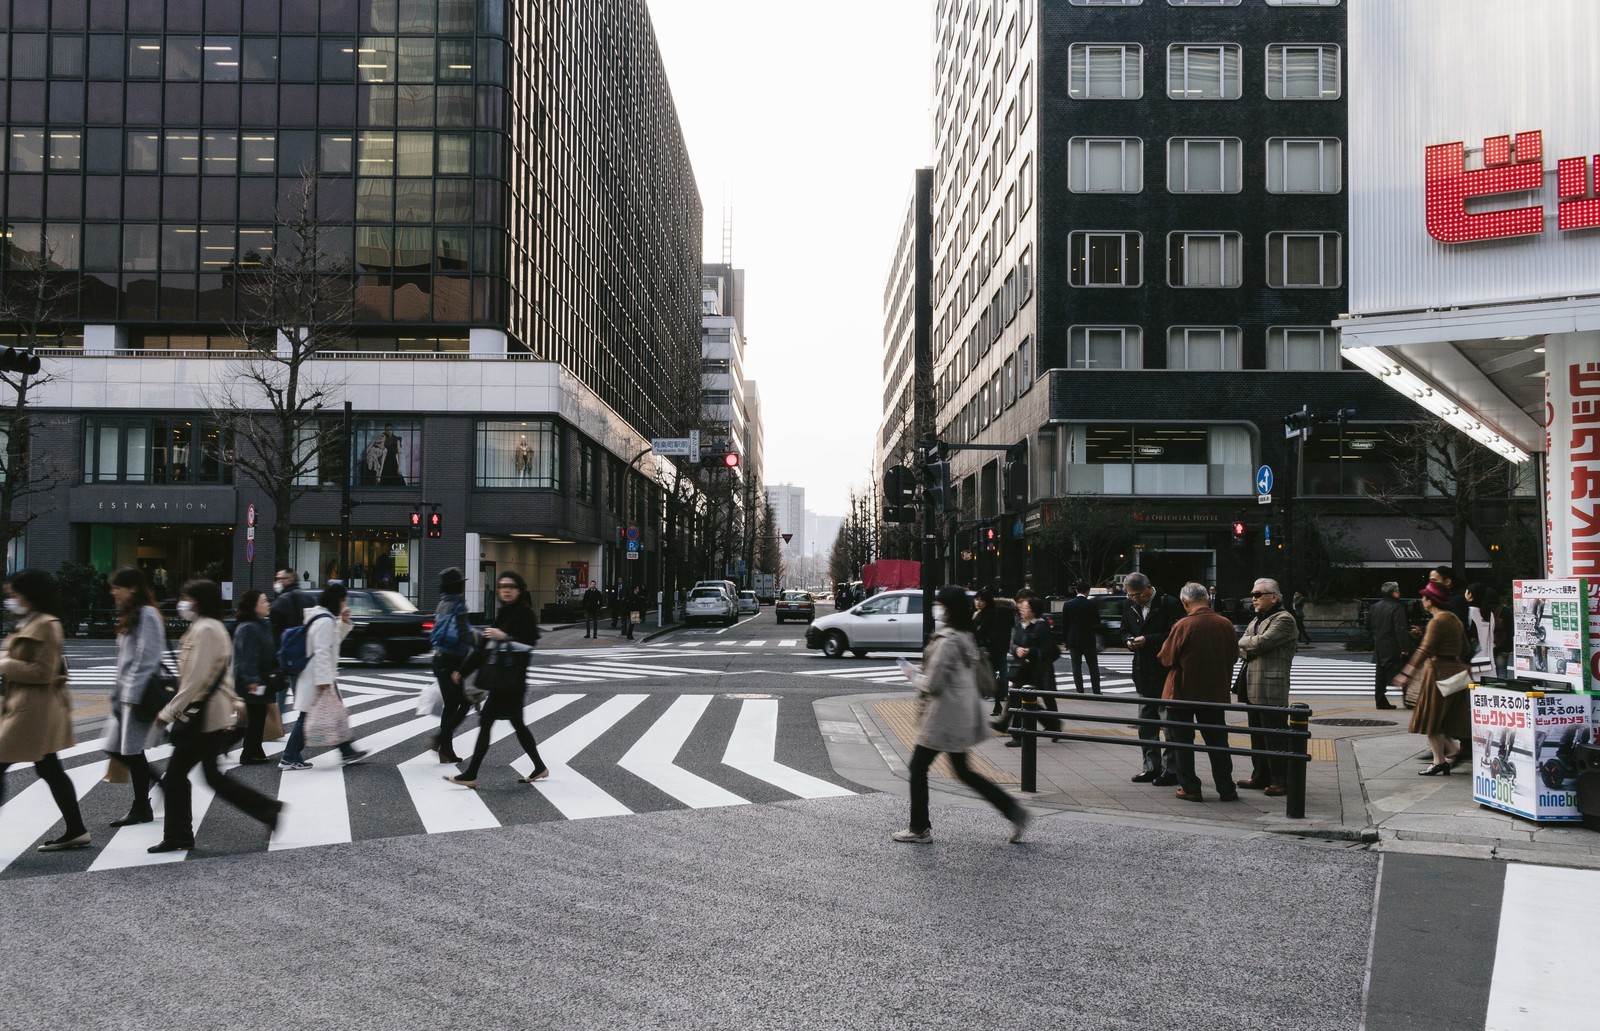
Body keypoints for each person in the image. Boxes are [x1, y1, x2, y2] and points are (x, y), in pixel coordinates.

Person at [149, 580, 280, 853]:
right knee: (205, 776)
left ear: (199, 601)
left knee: (179, 777)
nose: (182, 603)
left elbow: (196, 679)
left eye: (187, 597)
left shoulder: (207, 629)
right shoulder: (206, 627)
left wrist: (167, 713)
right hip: (207, 715)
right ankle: (267, 810)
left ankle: (180, 835)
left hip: (204, 717)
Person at [893, 586, 1029, 844]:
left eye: (940, 604)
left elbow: (933, 685)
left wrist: (912, 674)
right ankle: (1014, 811)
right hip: (961, 714)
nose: (937, 609)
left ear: (947, 608)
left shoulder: (947, 641)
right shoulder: (966, 635)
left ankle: (919, 827)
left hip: (943, 717)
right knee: (963, 772)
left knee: (918, 767)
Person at [0, 569, 89, 852]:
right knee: (50, 768)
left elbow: (42, 672)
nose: (10, 599)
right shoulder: (28, 621)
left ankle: (77, 829)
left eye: (15, 594)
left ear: (30, 594)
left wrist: (4, 663)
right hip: (25, 707)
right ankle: (76, 830)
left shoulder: (46, 624)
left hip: (32, 710)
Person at [446, 571, 548, 788]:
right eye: (502, 586)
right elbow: (484, 648)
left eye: (510, 586)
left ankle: (471, 774)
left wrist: (506, 637)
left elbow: (530, 645)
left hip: (512, 682)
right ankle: (539, 767)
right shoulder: (503, 614)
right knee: (515, 724)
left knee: (489, 722)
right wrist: (462, 671)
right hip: (503, 681)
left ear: (519, 590)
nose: (506, 590)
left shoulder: (525, 614)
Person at [1157, 583, 1242, 803]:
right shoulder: (1225, 624)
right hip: (1215, 692)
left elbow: (1166, 658)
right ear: (1206, 598)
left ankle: (1191, 788)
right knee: (1218, 742)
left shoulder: (1183, 625)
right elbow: (1234, 656)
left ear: (1185, 602)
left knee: (1183, 742)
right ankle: (1226, 788)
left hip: (1182, 693)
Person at [278, 583, 367, 771]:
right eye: (344, 600)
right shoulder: (325, 620)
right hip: (317, 678)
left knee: (329, 714)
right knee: (310, 716)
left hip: (315, 676)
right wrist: (323, 682)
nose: (345, 603)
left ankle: (347, 750)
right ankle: (289, 757)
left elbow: (331, 643)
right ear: (337, 600)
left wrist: (343, 622)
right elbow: (322, 652)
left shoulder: (321, 616)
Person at [104, 567, 166, 825]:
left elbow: (148, 657)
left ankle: (143, 805)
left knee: (130, 750)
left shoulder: (147, 614)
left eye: (118, 587)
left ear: (134, 588)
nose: (113, 592)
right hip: (125, 695)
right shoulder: (133, 614)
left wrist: (131, 693)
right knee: (119, 749)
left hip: (136, 695)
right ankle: (160, 791)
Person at [1395, 583, 1471, 776]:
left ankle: (1440, 761)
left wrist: (1406, 673)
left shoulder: (1438, 621)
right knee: (1443, 720)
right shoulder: (1454, 619)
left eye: (1424, 597)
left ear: (1431, 600)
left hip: (1438, 672)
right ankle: (1446, 757)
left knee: (1432, 719)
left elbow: (1424, 650)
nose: (1422, 600)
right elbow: (1465, 649)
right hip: (1456, 672)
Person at [1236, 577, 1298, 798]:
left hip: (1272, 686)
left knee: (1275, 736)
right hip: (1253, 685)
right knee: (1257, 735)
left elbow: (1261, 643)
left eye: (1258, 594)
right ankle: (1260, 775)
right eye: (1252, 594)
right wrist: (1249, 644)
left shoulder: (1284, 619)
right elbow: (1242, 644)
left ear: (1273, 596)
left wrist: (1249, 644)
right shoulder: (1257, 619)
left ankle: (1280, 780)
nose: (1253, 599)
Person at [1123, 572, 1183, 785]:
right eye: (1130, 596)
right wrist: (1128, 642)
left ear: (1149, 587)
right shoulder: (1129, 605)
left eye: (1137, 595)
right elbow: (1124, 630)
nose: (1134, 599)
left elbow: (1175, 634)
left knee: (1168, 723)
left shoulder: (1168, 603)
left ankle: (1171, 770)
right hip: (1142, 670)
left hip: (1164, 669)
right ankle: (1151, 767)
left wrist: (1148, 640)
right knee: (1146, 723)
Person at [999, 590, 1061, 746]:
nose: (1021, 609)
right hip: (1023, 669)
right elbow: (1012, 644)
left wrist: (1030, 651)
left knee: (1025, 701)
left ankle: (1019, 734)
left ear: (1033, 610)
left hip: (1036, 670)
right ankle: (1051, 725)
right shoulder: (1021, 624)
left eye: (1025, 607)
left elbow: (1049, 650)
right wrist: (1016, 650)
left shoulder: (1040, 626)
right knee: (1021, 700)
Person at [428, 568, 474, 765]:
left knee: (451, 705)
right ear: (459, 586)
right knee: (463, 703)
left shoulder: (443, 603)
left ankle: (446, 750)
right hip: (453, 660)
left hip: (439, 659)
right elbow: (464, 634)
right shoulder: (458, 605)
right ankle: (440, 738)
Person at [231, 589, 279, 765]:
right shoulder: (248, 627)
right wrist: (252, 680)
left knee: (256, 716)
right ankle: (248, 752)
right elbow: (249, 657)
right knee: (254, 717)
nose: (268, 604)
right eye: (263, 601)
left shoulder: (261, 624)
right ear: (253, 606)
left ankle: (254, 750)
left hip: (262, 677)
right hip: (253, 680)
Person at [972, 587, 1015, 718]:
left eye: (981, 600)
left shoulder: (988, 613)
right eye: (977, 599)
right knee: (1001, 672)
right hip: (1001, 646)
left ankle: (996, 700)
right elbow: (1012, 626)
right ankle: (1001, 696)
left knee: (987, 675)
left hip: (989, 649)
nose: (978, 602)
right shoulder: (1008, 610)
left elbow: (980, 631)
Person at [1368, 581, 1407, 710]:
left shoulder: (1375, 607)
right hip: (1393, 646)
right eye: (1398, 590)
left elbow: (1369, 626)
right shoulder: (1396, 607)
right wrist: (1405, 647)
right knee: (1405, 672)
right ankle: (1409, 700)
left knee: (1381, 674)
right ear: (1395, 593)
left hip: (1379, 645)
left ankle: (1380, 700)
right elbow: (1400, 629)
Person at [1061, 583, 1103, 695]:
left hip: (1073, 639)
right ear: (1087, 591)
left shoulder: (1068, 604)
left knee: (1076, 666)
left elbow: (1065, 625)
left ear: (1076, 591)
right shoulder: (1091, 604)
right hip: (1088, 639)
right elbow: (1097, 621)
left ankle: (1080, 690)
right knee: (1093, 666)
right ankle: (1096, 690)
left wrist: (1065, 640)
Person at [1464, 583, 1498, 681]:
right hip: (1488, 662)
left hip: (1472, 663)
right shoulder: (1489, 613)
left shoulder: (1469, 612)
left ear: (1469, 595)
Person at [269, 568, 305, 642]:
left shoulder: (281, 600)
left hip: (286, 644)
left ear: (290, 579)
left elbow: (274, 624)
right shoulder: (307, 597)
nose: (277, 582)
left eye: (280, 578)